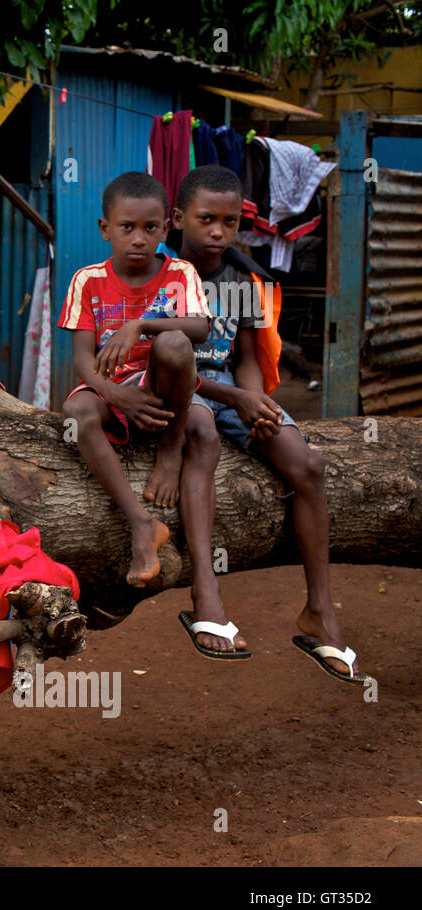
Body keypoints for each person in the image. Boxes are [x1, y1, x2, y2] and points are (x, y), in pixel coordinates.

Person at [168, 164, 368, 682]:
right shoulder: (162, 271)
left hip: (231, 391)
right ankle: (206, 593)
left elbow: (248, 354)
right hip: (174, 396)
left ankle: (319, 609)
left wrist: (255, 405)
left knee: (309, 465)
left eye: (229, 222)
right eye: (206, 219)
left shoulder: (241, 276)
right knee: (202, 436)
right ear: (179, 218)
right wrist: (234, 395)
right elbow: (157, 362)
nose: (217, 232)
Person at [58, 171, 210, 589]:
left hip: (165, 390)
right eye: (127, 227)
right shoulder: (87, 281)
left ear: (167, 227)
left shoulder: (181, 274)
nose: (139, 239)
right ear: (106, 229)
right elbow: (83, 361)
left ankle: (171, 448)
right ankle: (141, 523)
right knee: (76, 411)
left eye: (149, 228)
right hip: (115, 390)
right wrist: (115, 395)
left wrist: (141, 325)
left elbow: (200, 329)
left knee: (174, 342)